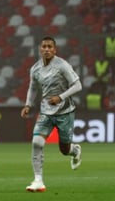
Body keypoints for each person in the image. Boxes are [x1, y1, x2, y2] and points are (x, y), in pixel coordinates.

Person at [20, 36, 83, 192]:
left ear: (55, 50)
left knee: (64, 150)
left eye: (50, 47)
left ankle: (74, 151)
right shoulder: (35, 69)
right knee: (37, 142)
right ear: (40, 49)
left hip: (65, 112)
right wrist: (28, 104)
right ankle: (38, 180)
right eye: (44, 46)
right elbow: (33, 88)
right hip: (46, 112)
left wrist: (60, 97)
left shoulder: (62, 66)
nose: (47, 49)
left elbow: (78, 85)